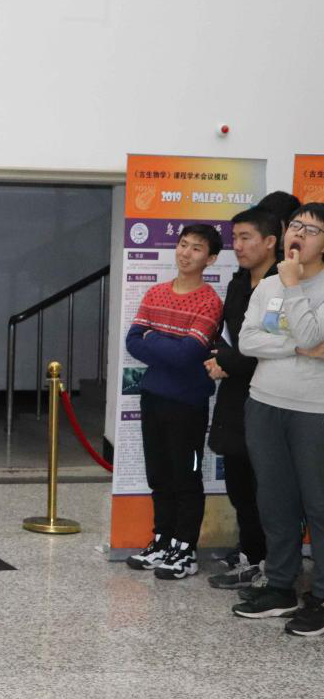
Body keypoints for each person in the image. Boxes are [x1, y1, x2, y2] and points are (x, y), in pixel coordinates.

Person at [231, 204, 324, 636]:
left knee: (318, 504)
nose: (299, 233)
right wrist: (296, 348)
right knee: (275, 501)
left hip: (314, 410)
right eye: (296, 225)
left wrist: (292, 286)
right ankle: (281, 586)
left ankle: (321, 595)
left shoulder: (287, 283)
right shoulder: (267, 284)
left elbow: (311, 333)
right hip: (264, 402)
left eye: (312, 229)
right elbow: (247, 341)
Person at [124, 224, 223, 580]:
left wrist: (154, 338)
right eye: (183, 245)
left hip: (187, 402)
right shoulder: (155, 292)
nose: (186, 253)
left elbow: (188, 354)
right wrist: (167, 342)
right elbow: (133, 341)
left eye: (196, 248)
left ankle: (185, 550)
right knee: (159, 474)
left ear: (211, 258)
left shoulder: (210, 301)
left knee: (186, 476)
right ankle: (162, 540)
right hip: (153, 396)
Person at [205, 208, 282, 589]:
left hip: (270, 393)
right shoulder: (238, 283)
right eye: (234, 238)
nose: (237, 245)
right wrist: (220, 357)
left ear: (270, 241)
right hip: (235, 393)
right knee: (238, 480)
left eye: (246, 237)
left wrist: (227, 362)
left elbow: (273, 344)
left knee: (263, 487)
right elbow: (228, 333)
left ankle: (269, 564)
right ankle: (250, 554)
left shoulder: (282, 284)